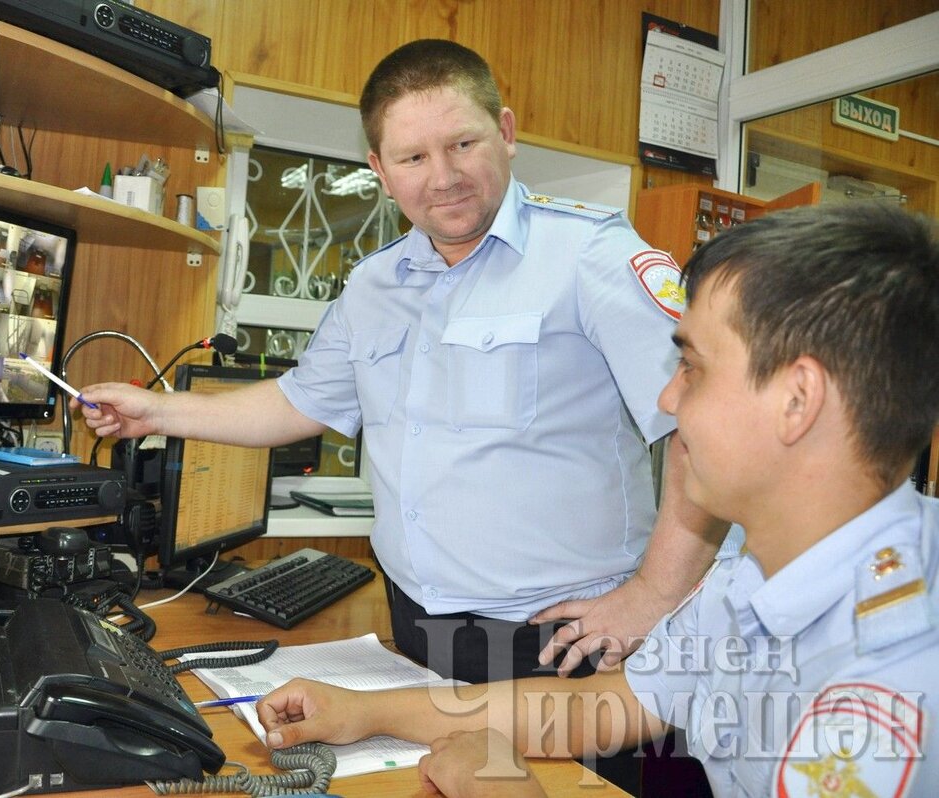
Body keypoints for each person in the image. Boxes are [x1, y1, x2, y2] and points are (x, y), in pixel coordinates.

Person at [74, 39, 726, 685]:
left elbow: (708, 428)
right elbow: (297, 402)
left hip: (561, 637)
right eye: (413, 157)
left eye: (462, 144)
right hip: (414, 622)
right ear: (381, 171)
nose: (442, 177)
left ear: (505, 132)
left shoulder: (592, 255)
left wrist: (654, 594)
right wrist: (156, 410)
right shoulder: (372, 286)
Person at [253, 201, 939, 797]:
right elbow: (603, 706)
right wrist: (368, 712)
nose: (667, 400)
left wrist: (506, 790)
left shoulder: (892, 679)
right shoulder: (751, 570)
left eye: (693, 369)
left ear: (798, 400)